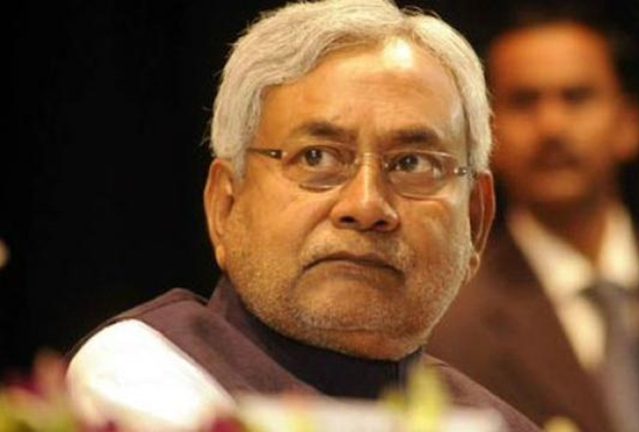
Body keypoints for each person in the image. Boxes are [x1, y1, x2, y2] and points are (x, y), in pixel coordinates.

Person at [64, 0, 539, 430]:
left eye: (413, 164)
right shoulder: (145, 372)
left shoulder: (496, 423)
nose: (367, 206)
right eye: (317, 157)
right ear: (225, 206)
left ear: (476, 222)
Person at [427, 3, 639, 432]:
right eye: (525, 101)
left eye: (577, 97)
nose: (552, 126)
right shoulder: (449, 322)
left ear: (629, 123)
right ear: (486, 136)